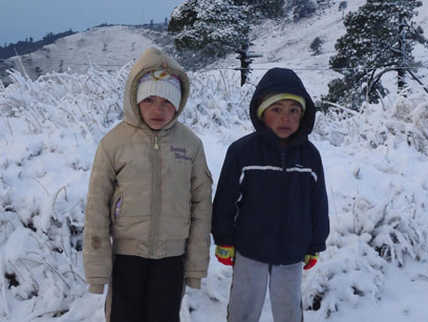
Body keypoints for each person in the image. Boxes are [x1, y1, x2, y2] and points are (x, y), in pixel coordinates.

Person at [83, 47, 213, 322]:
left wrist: (195, 266)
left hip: (171, 259)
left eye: (167, 102)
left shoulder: (190, 144)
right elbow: (96, 205)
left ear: (178, 105)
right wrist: (98, 270)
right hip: (127, 257)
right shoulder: (114, 143)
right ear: (134, 99)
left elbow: (201, 204)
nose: (158, 109)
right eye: (149, 99)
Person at [211, 67, 330, 322]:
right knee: (243, 308)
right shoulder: (242, 152)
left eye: (293, 110)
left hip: (292, 252)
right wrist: (224, 239)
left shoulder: (310, 156)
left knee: (288, 310)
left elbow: (318, 202)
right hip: (249, 250)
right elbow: (225, 200)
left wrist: (316, 243)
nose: (285, 118)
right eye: (276, 109)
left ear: (303, 114)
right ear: (262, 113)